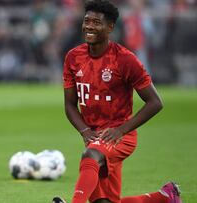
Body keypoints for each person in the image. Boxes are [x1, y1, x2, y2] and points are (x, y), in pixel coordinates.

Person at [52, 1, 181, 203]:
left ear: (110, 27)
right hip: (94, 133)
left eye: (96, 22)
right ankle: (164, 197)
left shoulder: (125, 59)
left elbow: (155, 102)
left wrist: (121, 130)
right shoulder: (73, 57)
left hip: (120, 135)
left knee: (90, 155)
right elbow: (69, 105)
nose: (89, 26)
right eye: (86, 21)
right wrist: (85, 131)